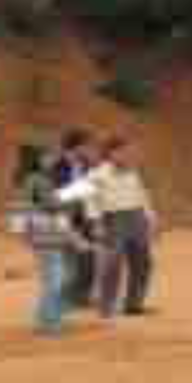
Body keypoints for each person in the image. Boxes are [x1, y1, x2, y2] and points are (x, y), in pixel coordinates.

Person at [83, 136, 158, 319]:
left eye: (129, 151)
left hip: (136, 217)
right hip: (112, 219)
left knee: (143, 262)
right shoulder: (96, 174)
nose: (127, 155)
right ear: (110, 153)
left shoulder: (133, 172)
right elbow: (90, 201)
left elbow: (142, 195)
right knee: (112, 264)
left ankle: (134, 304)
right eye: (123, 151)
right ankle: (106, 307)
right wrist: (96, 223)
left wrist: (151, 218)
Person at [22, 147, 91, 336]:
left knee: (59, 277)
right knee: (56, 279)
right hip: (46, 233)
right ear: (37, 159)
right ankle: (48, 323)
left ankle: (47, 319)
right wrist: (75, 192)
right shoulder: (37, 180)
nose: (52, 159)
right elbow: (51, 205)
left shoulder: (36, 179)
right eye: (47, 156)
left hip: (47, 232)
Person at [52, 129, 99, 308]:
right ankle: (64, 298)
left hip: (84, 218)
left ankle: (81, 297)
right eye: (87, 145)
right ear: (77, 147)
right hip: (63, 218)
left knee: (90, 258)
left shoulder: (87, 166)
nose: (90, 149)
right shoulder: (56, 167)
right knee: (69, 260)